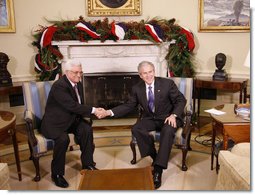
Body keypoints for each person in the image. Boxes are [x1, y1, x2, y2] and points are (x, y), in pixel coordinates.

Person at [96, 61, 186, 189]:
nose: (149, 75)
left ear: (154, 71)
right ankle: (155, 156)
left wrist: (174, 115)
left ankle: (158, 170)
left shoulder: (167, 84)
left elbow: (180, 100)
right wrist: (108, 112)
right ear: (140, 75)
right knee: (136, 128)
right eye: (145, 73)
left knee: (168, 131)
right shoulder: (137, 88)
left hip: (168, 116)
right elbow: (128, 106)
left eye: (150, 72)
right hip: (151, 118)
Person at [40, 59, 101, 188]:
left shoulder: (76, 82)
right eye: (75, 73)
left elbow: (79, 106)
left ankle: (88, 164)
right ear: (66, 72)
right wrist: (95, 110)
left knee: (86, 129)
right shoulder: (60, 86)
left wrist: (93, 112)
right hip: (55, 123)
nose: (79, 75)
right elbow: (73, 106)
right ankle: (57, 174)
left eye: (80, 72)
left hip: (71, 119)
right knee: (63, 140)